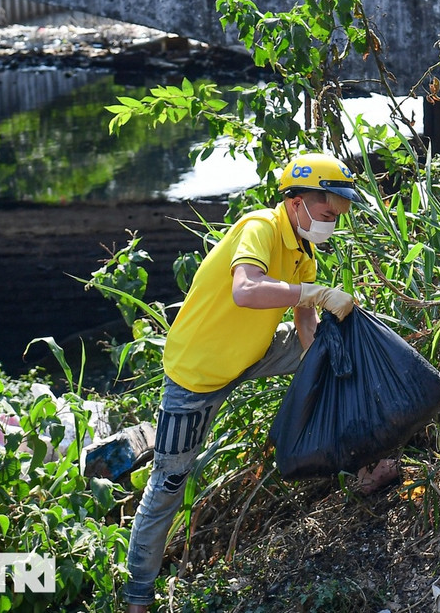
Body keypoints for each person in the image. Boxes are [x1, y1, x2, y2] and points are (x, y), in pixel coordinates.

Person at [124, 152, 377, 612]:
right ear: (297, 200)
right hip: (197, 376)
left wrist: (322, 365)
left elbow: (304, 320)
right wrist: (314, 292)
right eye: (326, 213)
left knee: (337, 347)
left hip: (253, 354)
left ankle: (366, 464)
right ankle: (137, 597)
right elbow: (246, 290)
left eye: (336, 218)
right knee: (168, 483)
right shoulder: (260, 226)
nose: (330, 224)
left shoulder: (303, 249)